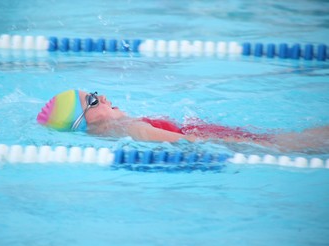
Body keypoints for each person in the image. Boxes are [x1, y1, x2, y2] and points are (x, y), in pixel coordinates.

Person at [37, 89, 329, 152]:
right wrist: (236, 143)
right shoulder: (121, 128)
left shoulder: (115, 130)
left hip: (211, 133)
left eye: (96, 93)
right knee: (303, 142)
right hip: (220, 139)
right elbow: (187, 142)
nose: (102, 97)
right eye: (92, 101)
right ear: (83, 122)